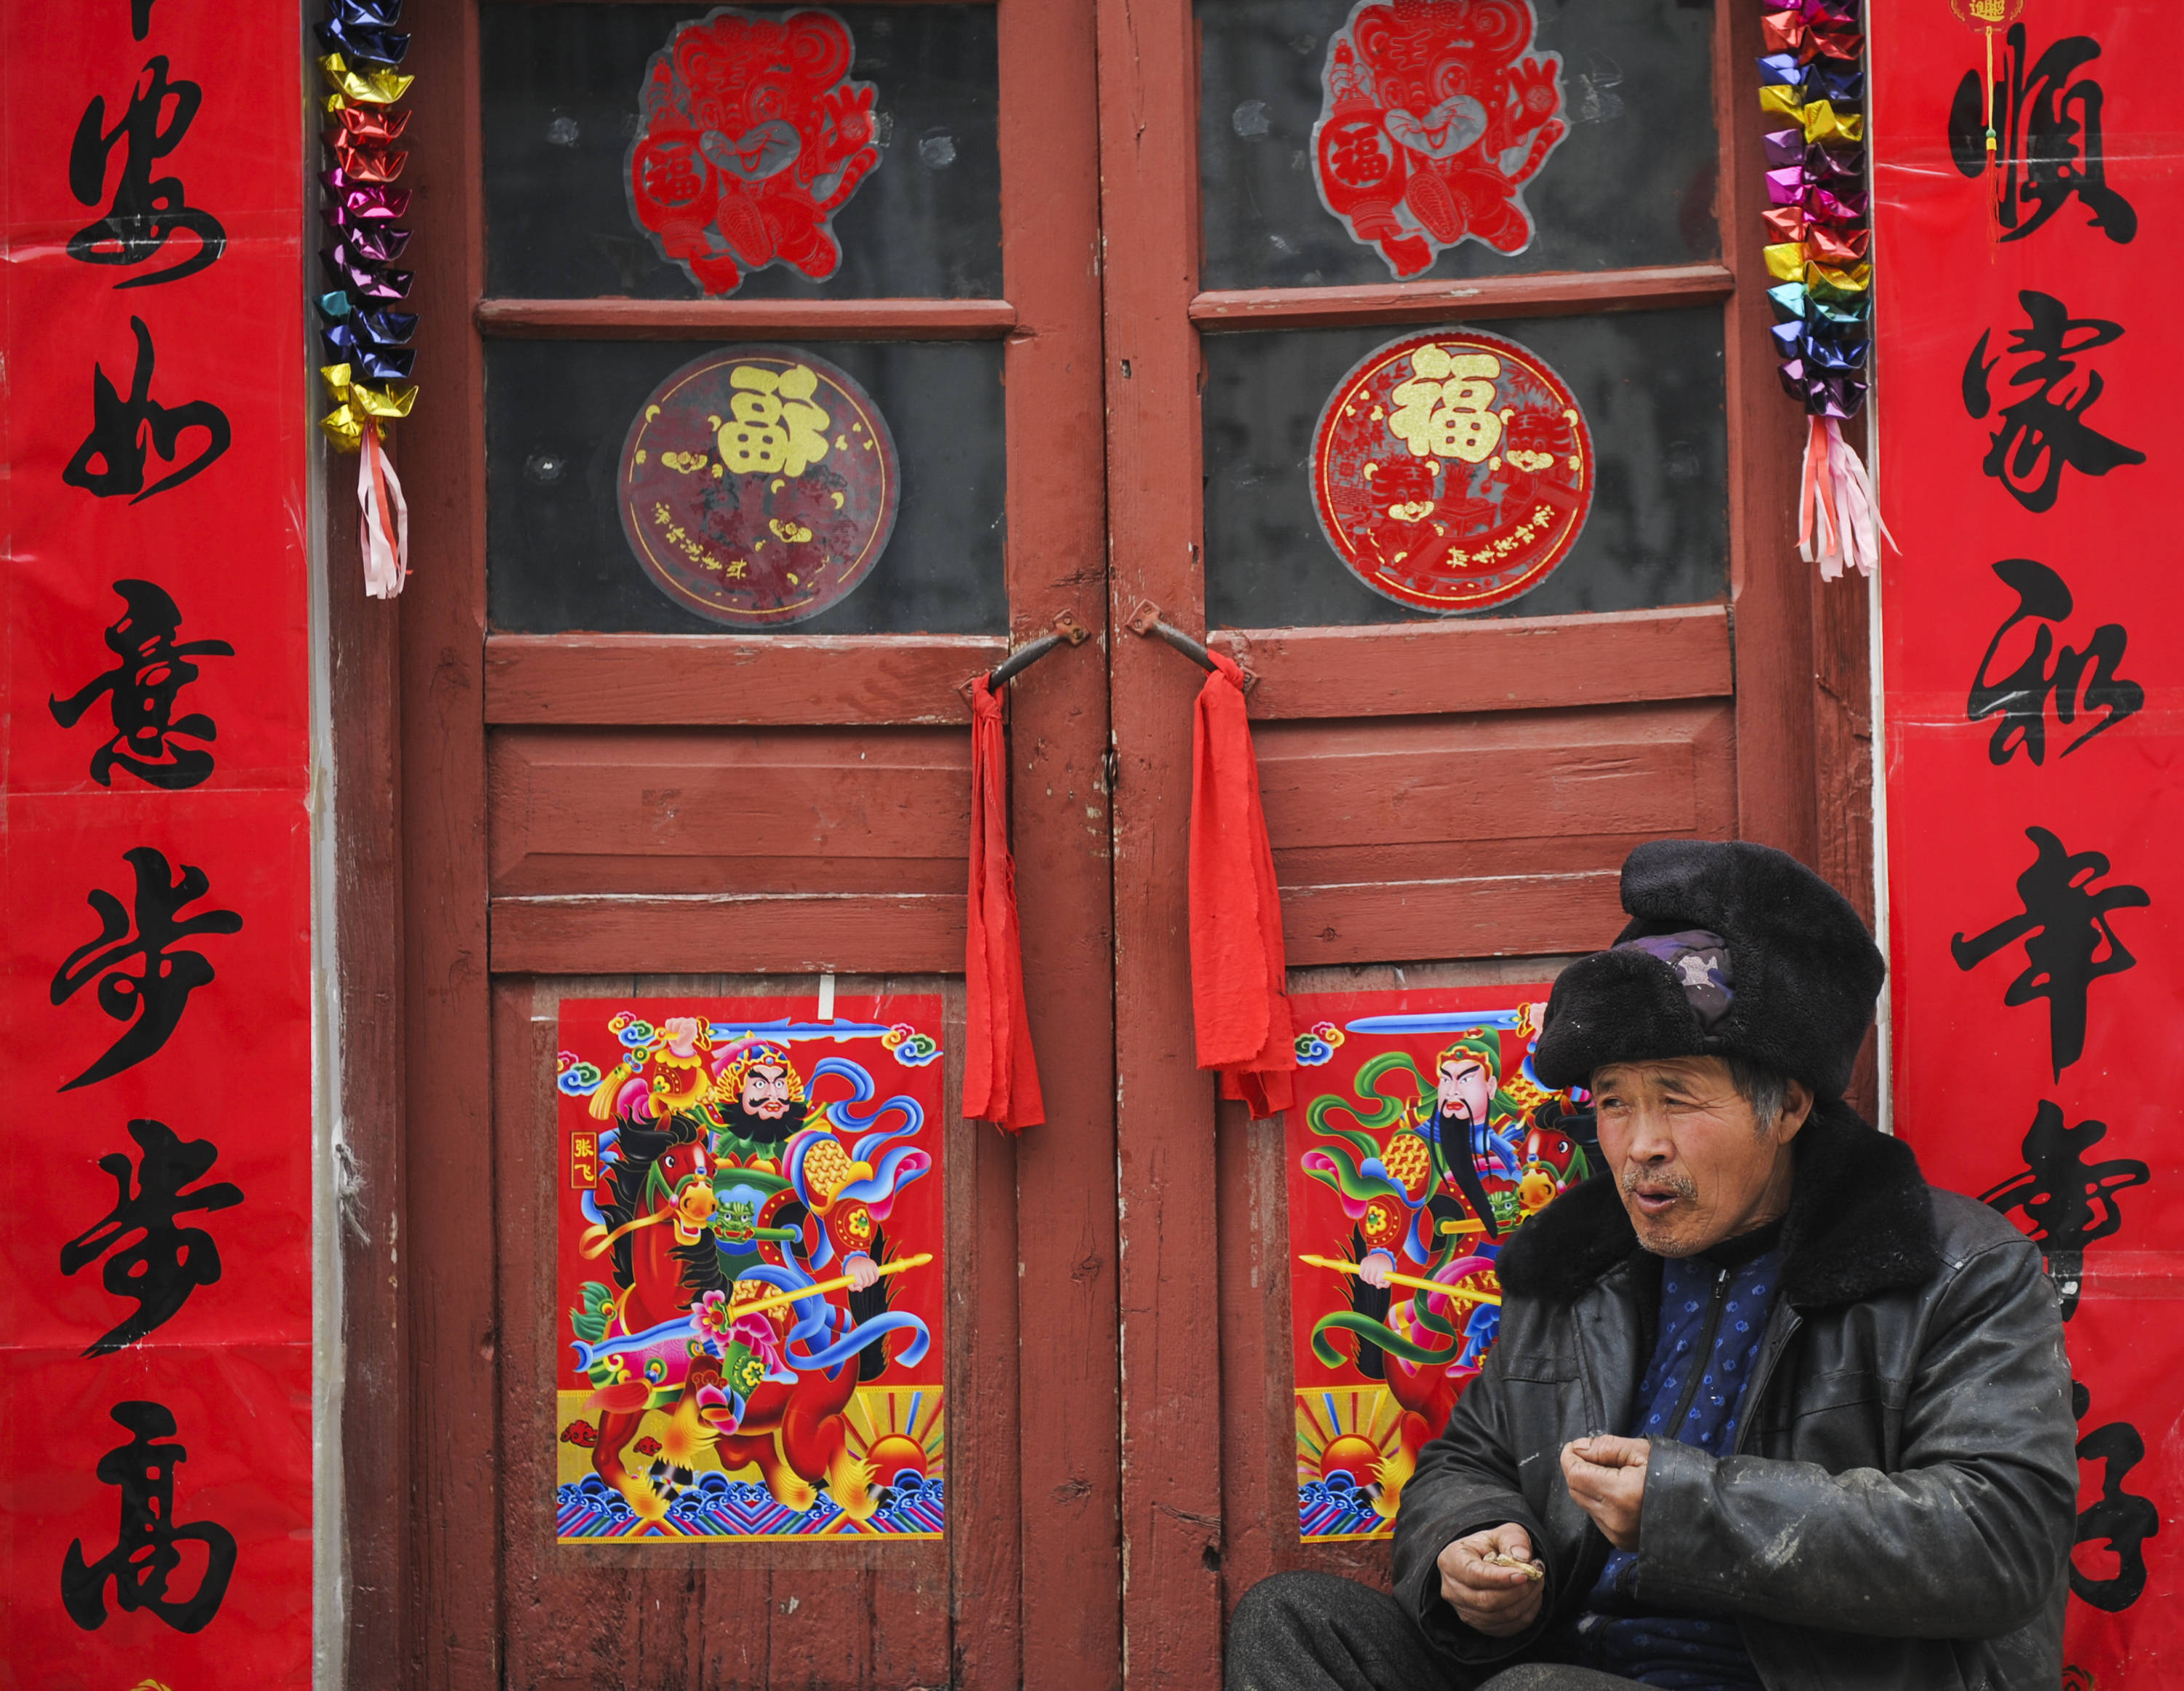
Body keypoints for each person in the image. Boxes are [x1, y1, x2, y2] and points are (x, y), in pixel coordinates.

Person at [1229, 839, 2078, 1691]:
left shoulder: (1954, 1270)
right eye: (1612, 1103)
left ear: (1786, 1104)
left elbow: (2000, 1539)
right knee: (1294, 1622)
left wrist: (1690, 1509)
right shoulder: (1580, 1268)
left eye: (1676, 1097)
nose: (1640, 1147)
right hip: (1576, 1660)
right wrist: (1476, 1538)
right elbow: (1470, 1458)